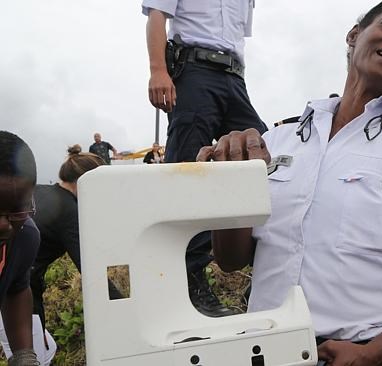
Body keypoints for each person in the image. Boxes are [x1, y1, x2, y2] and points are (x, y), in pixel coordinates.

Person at [198, 1, 382, 365]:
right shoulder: (280, 139)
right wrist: (230, 181)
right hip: (265, 352)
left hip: (360, 354)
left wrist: (375, 353)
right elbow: (232, 259)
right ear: (355, 34)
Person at [142, 0, 268, 317]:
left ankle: (267, 272)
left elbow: (235, 38)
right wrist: (158, 70)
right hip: (195, 70)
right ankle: (190, 282)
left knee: (262, 161)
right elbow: (158, 16)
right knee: (189, 172)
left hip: (234, 78)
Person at [28, 145, 123, 337]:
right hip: (20, 290)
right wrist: (123, 306)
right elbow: (90, 270)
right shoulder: (69, 212)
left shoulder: (39, 190)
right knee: (36, 354)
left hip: (10, 276)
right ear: (86, 182)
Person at [0, 131, 40, 366]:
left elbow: (16, 288)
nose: (4, 225)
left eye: (17, 209)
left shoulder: (24, 237)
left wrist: (24, 356)